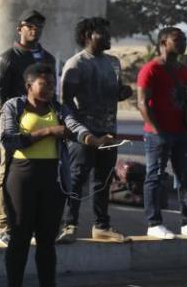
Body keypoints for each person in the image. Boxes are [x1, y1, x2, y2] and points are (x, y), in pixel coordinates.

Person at [0, 63, 117, 287]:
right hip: (21, 177)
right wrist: (48, 131)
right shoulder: (13, 106)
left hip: (52, 179)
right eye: (44, 84)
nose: (50, 89)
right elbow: (9, 139)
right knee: (19, 237)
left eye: (53, 84)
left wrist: (95, 141)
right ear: (29, 86)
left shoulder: (58, 109)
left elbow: (75, 128)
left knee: (46, 240)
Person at [57, 17, 133, 243]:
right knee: (76, 179)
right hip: (84, 136)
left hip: (109, 132)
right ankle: (69, 225)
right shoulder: (76, 64)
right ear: (89, 35)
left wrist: (123, 93)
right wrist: (82, 134)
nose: (110, 37)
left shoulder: (114, 62)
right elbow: (66, 104)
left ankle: (102, 226)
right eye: (104, 33)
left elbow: (114, 92)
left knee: (104, 180)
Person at [0, 9, 56, 245]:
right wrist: (7, 117)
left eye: (38, 26)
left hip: (43, 125)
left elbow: (51, 91)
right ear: (20, 28)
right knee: (6, 174)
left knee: (41, 176)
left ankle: (37, 225)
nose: (34, 30)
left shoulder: (48, 58)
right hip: (15, 126)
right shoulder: (8, 57)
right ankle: (5, 226)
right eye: (29, 25)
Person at [137, 27, 187, 239]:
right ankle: (154, 223)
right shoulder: (151, 69)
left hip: (182, 133)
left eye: (183, 39)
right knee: (155, 177)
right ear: (163, 43)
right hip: (158, 134)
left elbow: (185, 100)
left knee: (186, 178)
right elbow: (142, 103)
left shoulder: (183, 70)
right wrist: (157, 130)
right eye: (176, 39)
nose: (182, 43)